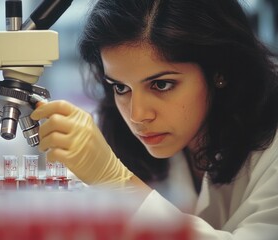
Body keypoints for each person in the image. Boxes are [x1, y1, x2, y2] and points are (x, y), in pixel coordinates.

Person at [31, 0, 278, 239]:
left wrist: (121, 185)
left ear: (219, 71)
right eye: (120, 87)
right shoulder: (120, 134)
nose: (137, 115)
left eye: (161, 84)